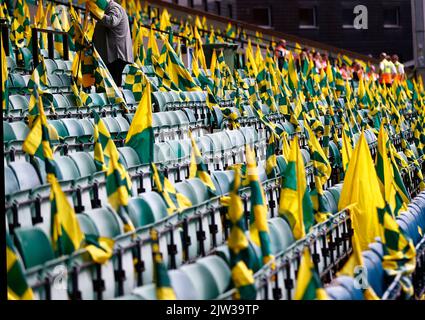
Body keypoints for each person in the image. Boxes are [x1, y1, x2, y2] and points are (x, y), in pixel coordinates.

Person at [92, 0, 133, 87]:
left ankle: (119, 100)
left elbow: (112, 21)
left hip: (116, 55)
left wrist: (99, 14)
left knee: (114, 86)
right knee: (113, 86)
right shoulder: (108, 9)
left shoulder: (114, 7)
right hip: (112, 55)